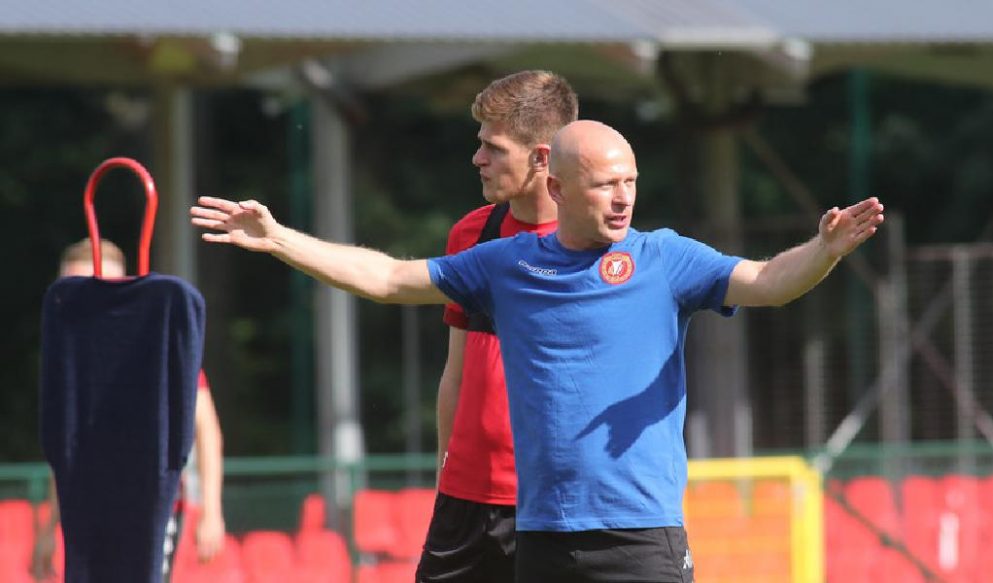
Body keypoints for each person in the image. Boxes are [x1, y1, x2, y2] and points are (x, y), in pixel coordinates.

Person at [191, 119, 884, 583]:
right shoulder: (508, 264)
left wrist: (823, 250)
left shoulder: (666, 258)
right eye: (605, 184)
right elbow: (391, 278)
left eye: (630, 181)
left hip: (642, 536)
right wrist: (281, 239)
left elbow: (768, 283)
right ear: (558, 188)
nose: (622, 198)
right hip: (543, 536)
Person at [419, 70, 577, 582]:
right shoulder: (471, 234)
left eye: (494, 147)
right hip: (465, 500)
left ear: (542, 157)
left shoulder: (599, 247)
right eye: (480, 143)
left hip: (557, 506)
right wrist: (445, 474)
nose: (478, 158)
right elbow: (457, 372)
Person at [32, 238, 226, 582]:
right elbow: (67, 452)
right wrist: (50, 527)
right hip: (89, 506)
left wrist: (212, 509)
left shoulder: (158, 354)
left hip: (152, 506)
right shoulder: (72, 363)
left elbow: (206, 429)